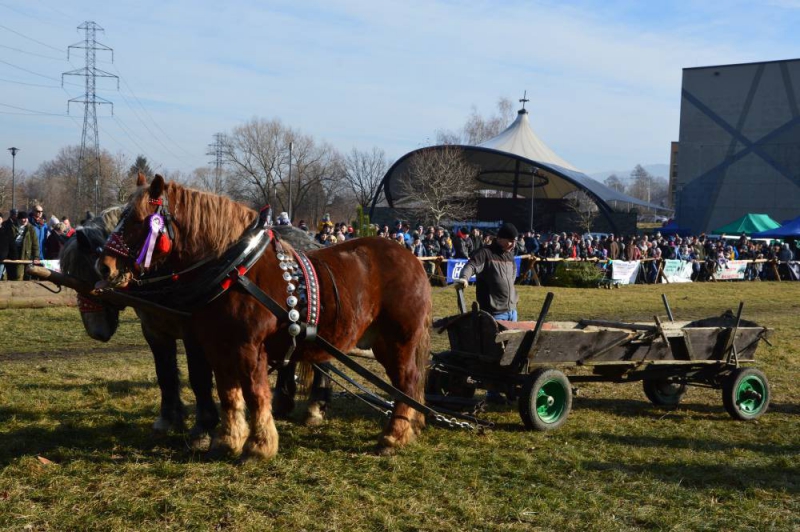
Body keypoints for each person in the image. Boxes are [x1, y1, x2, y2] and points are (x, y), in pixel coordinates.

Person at [454, 222, 519, 322]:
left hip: (512, 311)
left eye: (515, 241)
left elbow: (513, 271)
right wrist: (464, 277)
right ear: (500, 239)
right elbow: (471, 265)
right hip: (494, 313)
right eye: (511, 241)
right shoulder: (485, 253)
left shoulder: (510, 255)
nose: (514, 245)